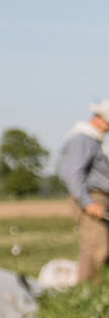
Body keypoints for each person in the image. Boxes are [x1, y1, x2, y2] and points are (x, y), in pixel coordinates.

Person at [57, 100, 109, 284]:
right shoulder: (82, 139)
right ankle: (88, 293)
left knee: (104, 246)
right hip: (92, 197)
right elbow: (72, 173)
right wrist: (88, 202)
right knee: (96, 247)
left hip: (99, 197)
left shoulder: (93, 140)